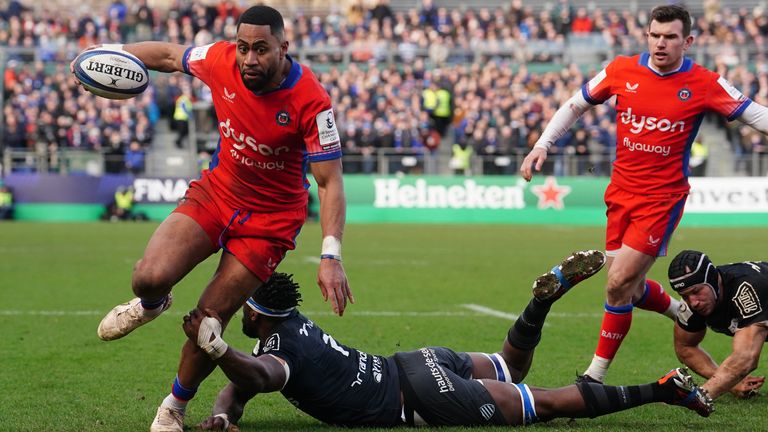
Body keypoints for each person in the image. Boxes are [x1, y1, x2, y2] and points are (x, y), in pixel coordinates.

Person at [72, 5, 352, 431]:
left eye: (261, 49)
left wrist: (331, 255)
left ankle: (173, 407)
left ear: (283, 47)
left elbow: (330, 183)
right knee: (148, 275)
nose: (249, 59)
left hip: (270, 222)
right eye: (243, 48)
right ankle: (150, 305)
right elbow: (169, 55)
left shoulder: (312, 100)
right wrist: (108, 55)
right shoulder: (220, 60)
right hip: (217, 193)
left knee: (209, 321)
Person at [179, 251, 713, 432]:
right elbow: (245, 386)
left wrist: (219, 351)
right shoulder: (287, 325)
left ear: (253, 313)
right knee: (511, 366)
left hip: (420, 396)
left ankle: (663, 389)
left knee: (544, 405)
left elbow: (259, 375)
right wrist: (226, 414)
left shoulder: (275, 352)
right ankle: (540, 302)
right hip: (419, 360)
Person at [519, 4, 768, 384]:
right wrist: (543, 144)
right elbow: (576, 103)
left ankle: (593, 377)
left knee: (617, 284)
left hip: (661, 200)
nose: (660, 43)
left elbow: (754, 114)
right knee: (630, 290)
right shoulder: (622, 70)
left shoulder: (704, 82)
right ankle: (677, 310)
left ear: (688, 41)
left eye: (670, 37)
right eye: (655, 35)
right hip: (620, 194)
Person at [668, 250, 767, 401]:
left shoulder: (746, 289)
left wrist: (699, 397)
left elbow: (746, 358)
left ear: (713, 280)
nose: (693, 302)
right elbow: (685, 347)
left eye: (696, 291)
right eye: (684, 295)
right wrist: (728, 382)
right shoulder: (691, 305)